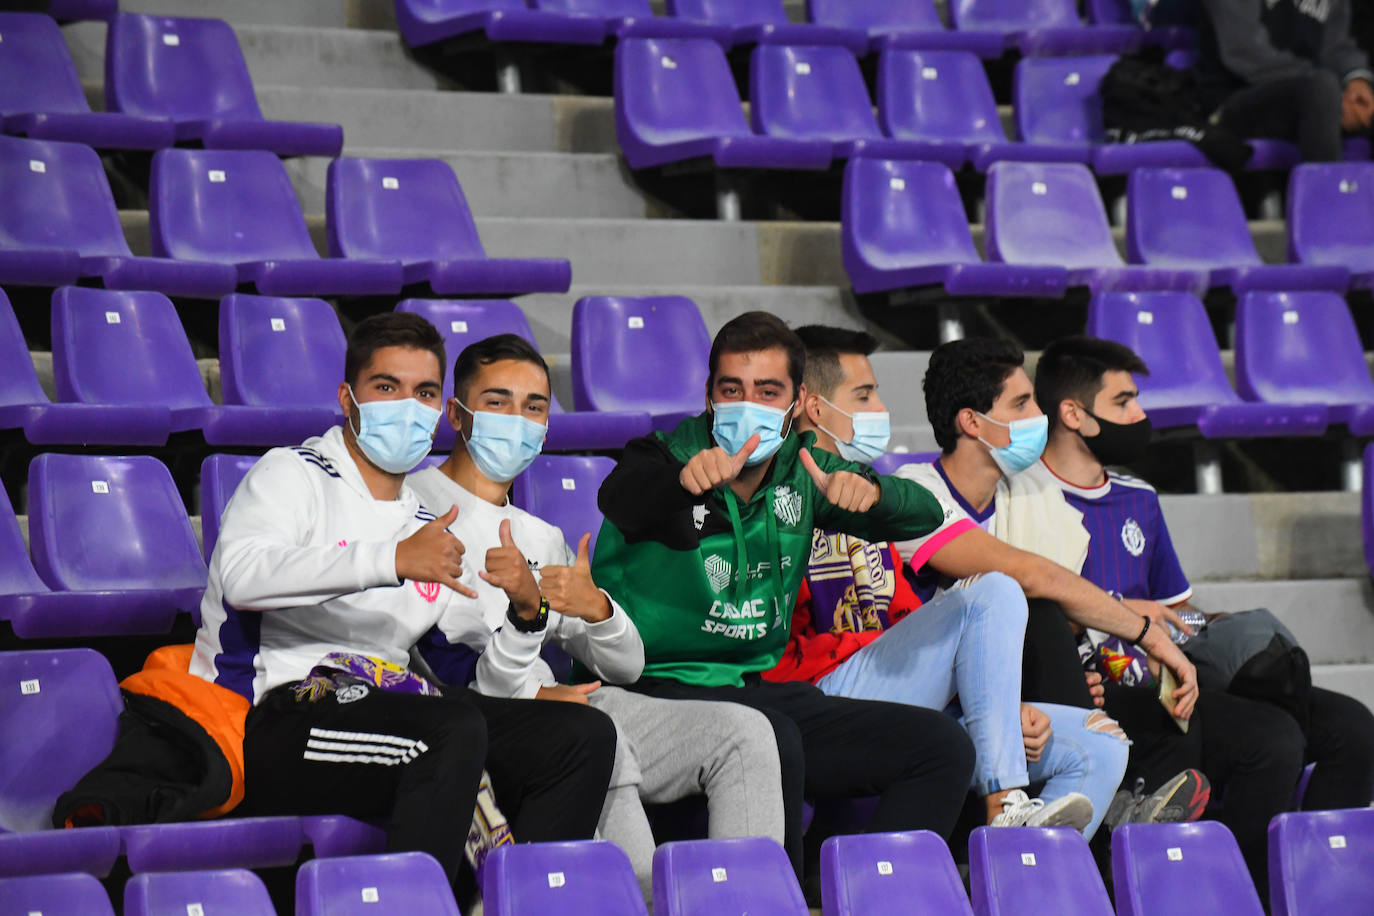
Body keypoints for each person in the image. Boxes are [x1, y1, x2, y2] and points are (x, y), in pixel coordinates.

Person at [190, 313, 616, 892]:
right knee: (449, 730)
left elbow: (457, 669)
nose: (406, 407)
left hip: (390, 707)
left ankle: (517, 904)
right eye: (386, 387)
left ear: (442, 408)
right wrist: (388, 560)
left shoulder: (424, 521)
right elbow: (242, 577)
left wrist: (526, 616)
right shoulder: (291, 473)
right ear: (348, 397)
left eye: (423, 393)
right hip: (277, 717)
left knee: (578, 737)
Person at [591, 311, 976, 883]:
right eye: (732, 390)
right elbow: (619, 496)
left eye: (767, 391)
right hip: (657, 689)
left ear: (796, 402)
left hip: (756, 687)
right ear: (709, 396)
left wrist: (871, 493)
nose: (748, 405)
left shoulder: (802, 467)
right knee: (776, 738)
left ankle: (861, 893)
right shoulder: (664, 456)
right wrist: (682, 482)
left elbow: (924, 512)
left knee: (941, 747)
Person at [408, 333, 785, 897]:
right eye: (498, 401)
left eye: (534, 407)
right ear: (457, 415)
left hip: (572, 701)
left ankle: (747, 907)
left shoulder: (542, 534)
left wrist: (600, 610)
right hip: (500, 719)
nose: (518, 419)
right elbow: (441, 675)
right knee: (592, 734)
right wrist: (535, 675)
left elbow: (627, 665)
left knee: (745, 731)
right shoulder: (414, 506)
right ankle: (645, 901)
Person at [1034, 335, 1374, 891]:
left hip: (1175, 679)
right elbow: (1038, 610)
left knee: (1352, 728)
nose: (1141, 416)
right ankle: (1236, 893)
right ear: (1073, 413)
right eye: (1124, 402)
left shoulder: (1138, 497)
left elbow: (1175, 609)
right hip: (1105, 691)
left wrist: (1227, 632)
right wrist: (1119, 612)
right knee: (1272, 739)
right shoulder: (1029, 498)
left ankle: (1325, 889)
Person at [763, 326, 1126, 838]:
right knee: (997, 588)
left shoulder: (871, 493)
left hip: (891, 686)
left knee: (1100, 744)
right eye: (864, 395)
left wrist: (995, 708)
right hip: (822, 697)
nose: (880, 406)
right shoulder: (777, 499)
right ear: (816, 408)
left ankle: (1016, 883)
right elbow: (776, 645)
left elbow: (909, 618)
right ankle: (1004, 801)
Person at [888, 337, 1211, 833]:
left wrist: (1090, 664)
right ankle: (1109, 818)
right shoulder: (917, 493)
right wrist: (1146, 632)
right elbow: (1037, 578)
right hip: (931, 698)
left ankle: (1117, 819)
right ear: (973, 423)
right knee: (1026, 601)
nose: (1041, 416)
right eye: (1022, 404)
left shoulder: (1033, 497)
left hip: (1013, 694)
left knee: (1154, 712)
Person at [1196, 0, 1374, 161]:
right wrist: (1334, 95)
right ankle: (1327, 195)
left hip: (1312, 96)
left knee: (1345, 98)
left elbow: (1337, 48)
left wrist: (1356, 80)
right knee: (1322, 90)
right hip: (1233, 99)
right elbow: (1244, 51)